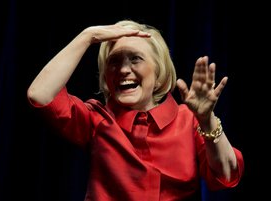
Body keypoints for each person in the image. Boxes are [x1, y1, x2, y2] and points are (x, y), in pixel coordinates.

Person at [27, 19, 244, 201]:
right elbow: (40, 95)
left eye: (135, 59)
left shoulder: (188, 121)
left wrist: (207, 120)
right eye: (114, 61)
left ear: (158, 72)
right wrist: (88, 36)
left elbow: (227, 175)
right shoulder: (96, 119)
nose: (122, 69)